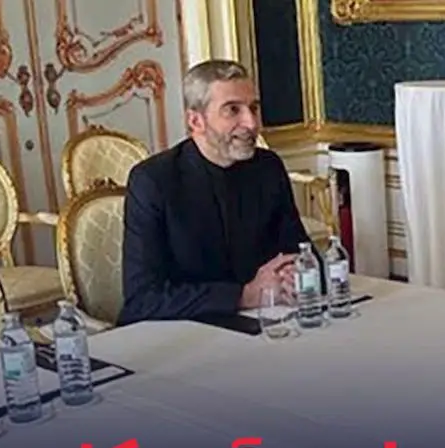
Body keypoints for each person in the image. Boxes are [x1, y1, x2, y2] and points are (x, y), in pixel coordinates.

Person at [118, 60, 319, 325]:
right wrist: (244, 296)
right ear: (196, 121)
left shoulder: (267, 168)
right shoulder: (154, 181)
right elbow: (142, 299)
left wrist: (295, 274)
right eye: (233, 110)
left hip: (266, 322)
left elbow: (300, 250)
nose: (251, 123)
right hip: (184, 333)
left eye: (253, 108)